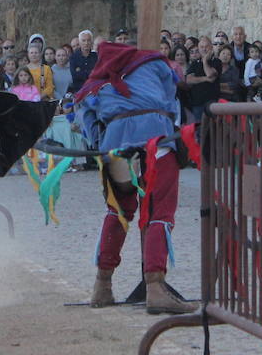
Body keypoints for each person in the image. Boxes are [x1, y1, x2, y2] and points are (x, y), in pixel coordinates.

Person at [77, 41, 192, 315]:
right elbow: (171, 95)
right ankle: (155, 286)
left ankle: (102, 285)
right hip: (157, 139)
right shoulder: (154, 65)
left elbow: (85, 114)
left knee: (118, 211)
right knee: (158, 212)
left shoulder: (97, 80)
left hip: (116, 144)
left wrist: (100, 141)